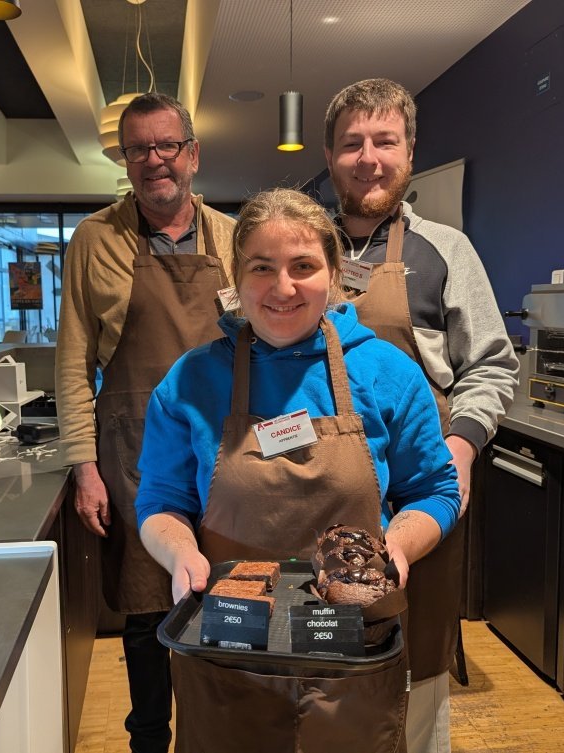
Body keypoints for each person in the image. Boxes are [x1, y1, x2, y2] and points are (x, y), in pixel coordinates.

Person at [135, 187, 461, 753]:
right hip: (227, 650)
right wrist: (179, 554)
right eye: (262, 268)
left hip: (352, 658)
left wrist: (398, 548)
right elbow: (160, 502)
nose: (283, 288)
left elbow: (436, 491)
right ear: (237, 278)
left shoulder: (387, 373)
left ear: (333, 275)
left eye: (303, 266)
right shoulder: (190, 382)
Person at [323, 78, 519, 753]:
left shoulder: (448, 251)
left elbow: (492, 364)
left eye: (385, 140)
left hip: (418, 497)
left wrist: (461, 448)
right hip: (317, 497)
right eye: (352, 142)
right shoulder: (303, 251)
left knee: (417, 666)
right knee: (319, 665)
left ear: (409, 153)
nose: (368, 157)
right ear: (330, 154)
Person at [55, 92, 235, 753]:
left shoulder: (233, 236)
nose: (154, 160)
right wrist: (84, 468)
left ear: (191, 153)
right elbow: (72, 362)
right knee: (145, 604)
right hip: (131, 451)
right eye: (138, 149)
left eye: (167, 146)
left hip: (224, 449)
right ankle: (150, 740)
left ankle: (218, 735)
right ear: (125, 160)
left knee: (225, 597)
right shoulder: (94, 240)